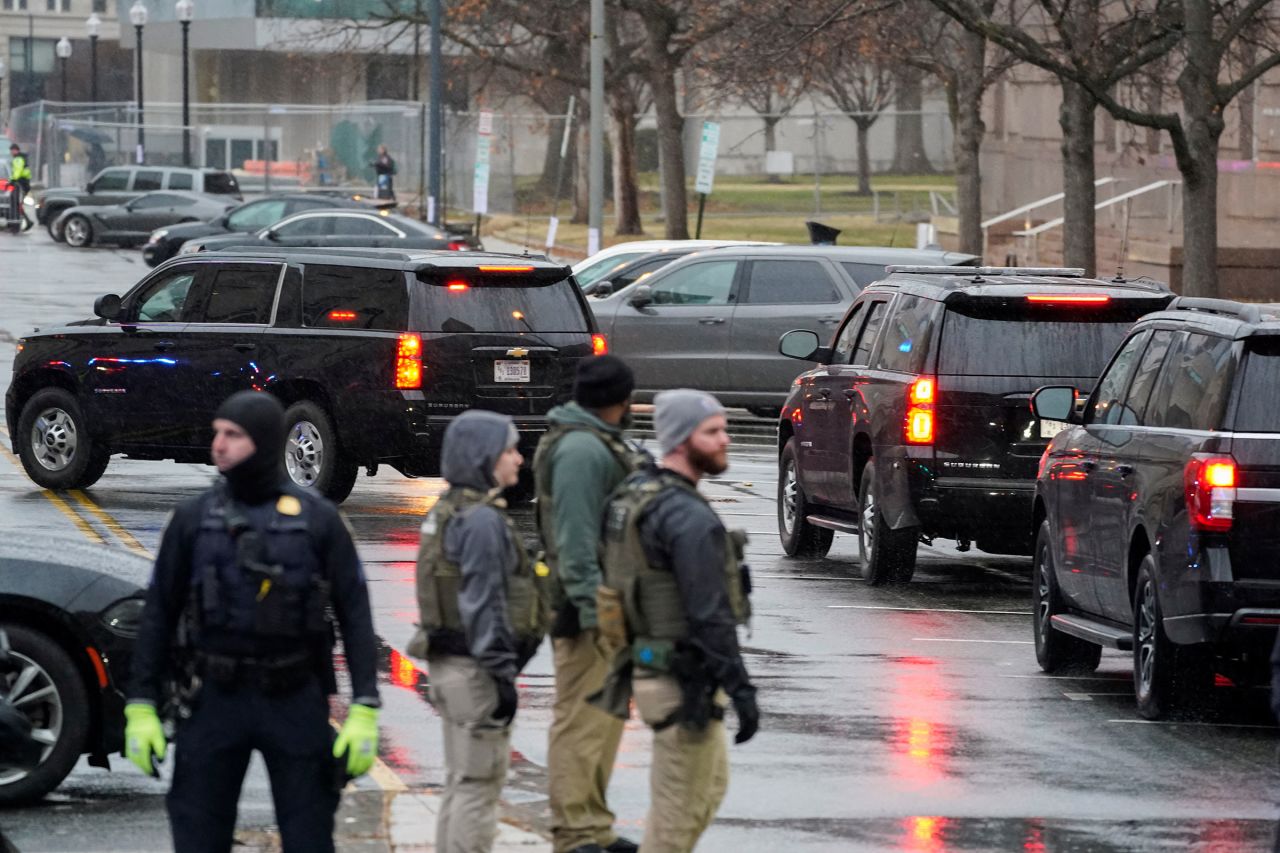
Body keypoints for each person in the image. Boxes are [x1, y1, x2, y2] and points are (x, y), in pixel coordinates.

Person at [125, 391, 381, 853]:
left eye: (233, 435)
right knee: (198, 833)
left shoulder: (319, 520)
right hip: (213, 698)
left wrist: (365, 704)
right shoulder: (192, 518)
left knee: (309, 836)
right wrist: (140, 702)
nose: (218, 445)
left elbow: (356, 614)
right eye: (216, 433)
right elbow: (159, 612)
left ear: (262, 442)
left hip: (294, 698)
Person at [594, 389, 759, 853]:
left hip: (651, 666)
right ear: (682, 441)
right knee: (678, 812)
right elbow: (709, 614)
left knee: (705, 789)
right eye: (712, 431)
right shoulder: (686, 515)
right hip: (679, 678)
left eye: (724, 428)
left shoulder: (638, 496)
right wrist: (741, 688)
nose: (725, 439)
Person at [410, 409, 548, 853]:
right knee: (478, 788)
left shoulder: (447, 511)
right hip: (476, 672)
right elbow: (484, 601)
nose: (519, 459)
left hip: (448, 664)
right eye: (509, 449)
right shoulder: (483, 521)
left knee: (460, 783)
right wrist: (502, 673)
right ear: (484, 456)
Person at [534, 356, 645, 853]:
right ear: (620, 398)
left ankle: (593, 824)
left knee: (605, 720)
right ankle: (575, 831)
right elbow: (575, 543)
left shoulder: (595, 441)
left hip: (609, 606)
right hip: (587, 611)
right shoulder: (581, 450)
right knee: (582, 720)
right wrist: (595, 610)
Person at [7, 144, 32, 232]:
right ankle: (26, 222)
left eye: (12, 150)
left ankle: (16, 224)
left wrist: (12, 180)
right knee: (18, 204)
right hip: (24, 183)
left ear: (16, 150)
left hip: (21, 184)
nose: (11, 152)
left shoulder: (18, 159)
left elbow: (17, 171)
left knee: (16, 204)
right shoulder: (21, 158)